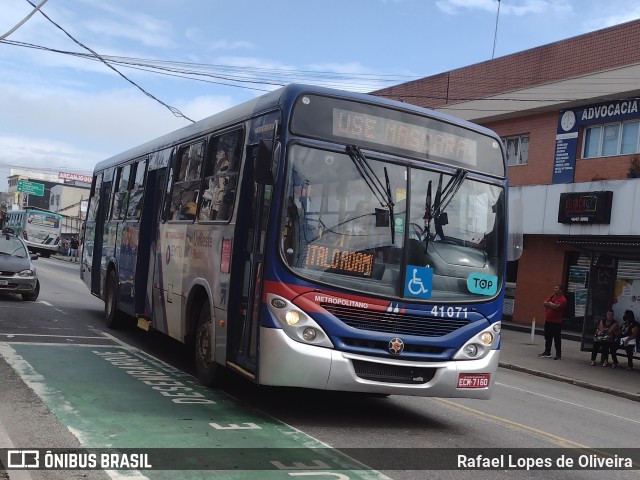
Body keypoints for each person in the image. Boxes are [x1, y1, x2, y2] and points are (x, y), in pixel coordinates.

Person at [538, 284, 567, 360]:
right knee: (548, 337)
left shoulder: (562, 299)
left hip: (556, 322)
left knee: (557, 338)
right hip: (548, 321)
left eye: (556, 288)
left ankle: (558, 354)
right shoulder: (552, 296)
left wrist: (550, 304)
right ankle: (547, 352)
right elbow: (544, 303)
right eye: (554, 288)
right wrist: (551, 304)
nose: (554, 289)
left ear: (560, 290)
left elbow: (556, 307)